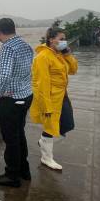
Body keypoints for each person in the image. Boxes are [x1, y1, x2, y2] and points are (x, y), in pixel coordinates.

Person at [0, 18, 35, 188]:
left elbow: (4, 74)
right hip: (26, 96)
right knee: (19, 134)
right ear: (13, 29)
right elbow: (31, 69)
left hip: (11, 100)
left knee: (11, 139)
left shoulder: (7, 48)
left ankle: (12, 175)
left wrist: (0, 93)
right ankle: (24, 171)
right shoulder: (25, 45)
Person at [30, 27, 78, 170]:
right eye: (61, 39)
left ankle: (43, 141)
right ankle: (47, 158)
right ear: (51, 39)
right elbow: (41, 84)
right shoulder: (43, 57)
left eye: (64, 39)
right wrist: (46, 106)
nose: (64, 41)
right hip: (50, 98)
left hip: (62, 96)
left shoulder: (59, 54)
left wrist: (68, 54)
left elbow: (74, 70)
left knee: (67, 124)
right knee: (51, 128)